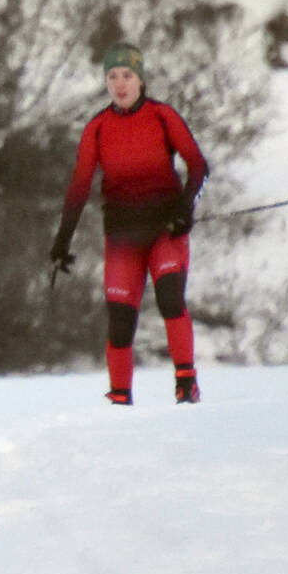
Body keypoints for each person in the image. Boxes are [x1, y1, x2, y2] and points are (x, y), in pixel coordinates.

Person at [49, 42, 209, 405]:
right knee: (120, 320)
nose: (120, 83)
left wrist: (185, 208)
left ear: (140, 80)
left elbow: (198, 165)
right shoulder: (97, 128)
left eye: (127, 75)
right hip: (122, 235)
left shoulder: (161, 115)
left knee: (170, 299)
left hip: (165, 229)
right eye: (112, 76)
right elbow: (78, 187)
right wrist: (62, 241)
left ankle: (186, 383)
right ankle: (119, 396)